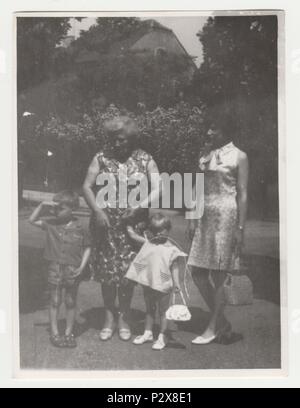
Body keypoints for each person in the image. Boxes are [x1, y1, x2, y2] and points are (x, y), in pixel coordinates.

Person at [82, 116, 161, 341]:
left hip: (132, 225)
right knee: (107, 272)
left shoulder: (146, 159)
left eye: (122, 139)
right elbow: (86, 186)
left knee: (128, 273)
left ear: (132, 139)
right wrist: (97, 211)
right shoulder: (101, 157)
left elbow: (158, 188)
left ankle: (124, 316)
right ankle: (109, 316)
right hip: (105, 223)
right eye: (114, 139)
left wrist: (138, 207)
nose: (118, 144)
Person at [187, 120, 249, 344]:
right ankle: (222, 322)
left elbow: (242, 193)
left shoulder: (239, 156)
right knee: (197, 271)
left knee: (219, 274)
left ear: (226, 130)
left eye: (215, 127)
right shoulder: (205, 154)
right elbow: (197, 187)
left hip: (226, 217)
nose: (209, 131)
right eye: (209, 127)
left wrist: (240, 228)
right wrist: (192, 217)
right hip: (204, 217)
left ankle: (213, 327)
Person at [29, 190, 91, 348]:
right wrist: (43, 205)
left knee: (71, 301)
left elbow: (87, 248)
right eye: (55, 208)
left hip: (73, 269)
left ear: (72, 208)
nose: (56, 211)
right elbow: (32, 219)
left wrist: (82, 267)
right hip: (54, 268)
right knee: (55, 301)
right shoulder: (51, 224)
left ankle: (69, 333)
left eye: (61, 208)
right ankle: (55, 333)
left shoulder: (81, 227)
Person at [125, 213, 186, 350]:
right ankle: (148, 332)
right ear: (150, 230)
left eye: (161, 230)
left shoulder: (171, 249)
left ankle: (162, 335)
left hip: (164, 282)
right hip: (149, 281)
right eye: (154, 230)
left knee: (163, 311)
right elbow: (135, 240)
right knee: (149, 308)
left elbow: (174, 267)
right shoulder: (148, 243)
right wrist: (128, 224)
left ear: (168, 229)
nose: (158, 233)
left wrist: (176, 283)